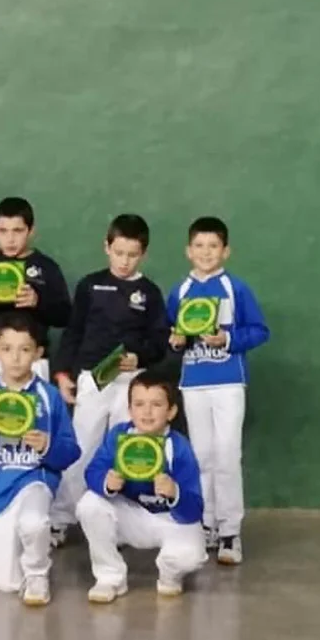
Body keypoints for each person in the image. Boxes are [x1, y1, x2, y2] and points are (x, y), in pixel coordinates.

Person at [49, 213, 169, 545]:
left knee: (123, 451)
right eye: (118, 253)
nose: (124, 261)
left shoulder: (149, 292)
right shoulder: (90, 286)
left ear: (143, 253)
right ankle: (60, 518)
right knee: (81, 447)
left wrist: (139, 357)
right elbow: (73, 332)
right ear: (106, 247)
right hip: (92, 379)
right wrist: (63, 373)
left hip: (132, 384)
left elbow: (159, 343)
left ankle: (116, 522)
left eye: (132, 254)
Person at [167, 216, 270, 564]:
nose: (206, 252)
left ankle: (230, 532)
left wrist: (227, 339)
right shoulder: (180, 291)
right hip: (193, 384)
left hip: (228, 383)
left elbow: (259, 331)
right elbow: (170, 335)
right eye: (199, 245)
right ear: (188, 250)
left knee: (226, 456)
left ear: (226, 251)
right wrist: (176, 340)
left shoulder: (235, 288)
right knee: (201, 456)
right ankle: (205, 525)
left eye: (213, 246)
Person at [0, 316, 80, 605]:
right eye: (7, 349)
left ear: (38, 353)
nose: (15, 358)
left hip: (34, 479)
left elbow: (70, 451)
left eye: (24, 349)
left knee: (34, 522)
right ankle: (24, 570)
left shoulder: (48, 396)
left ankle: (37, 573)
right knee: (8, 584)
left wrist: (47, 446)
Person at [76, 370, 207, 602]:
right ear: (129, 409)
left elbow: (195, 508)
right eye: (139, 404)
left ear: (171, 411)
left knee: (191, 556)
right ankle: (110, 577)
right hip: (129, 516)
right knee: (89, 504)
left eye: (156, 404)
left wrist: (175, 493)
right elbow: (93, 471)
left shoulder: (179, 446)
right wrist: (107, 482)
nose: (146, 412)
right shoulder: (118, 436)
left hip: (168, 519)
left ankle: (170, 575)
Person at [0, 197, 70, 384]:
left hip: (33, 359)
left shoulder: (47, 267)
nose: (10, 239)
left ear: (31, 231)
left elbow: (64, 316)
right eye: (3, 231)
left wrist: (38, 302)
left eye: (17, 231)